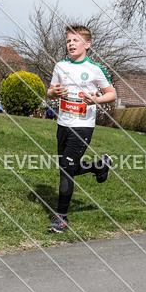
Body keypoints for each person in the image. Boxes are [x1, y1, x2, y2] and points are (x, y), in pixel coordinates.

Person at [45, 24, 117, 233]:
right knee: (66, 168)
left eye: (75, 40)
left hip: (83, 126)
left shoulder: (95, 69)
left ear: (87, 44)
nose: (71, 44)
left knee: (66, 170)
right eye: (68, 41)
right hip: (63, 124)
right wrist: (53, 93)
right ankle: (99, 167)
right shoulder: (60, 66)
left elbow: (111, 94)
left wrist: (96, 99)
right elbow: (50, 91)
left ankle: (61, 219)